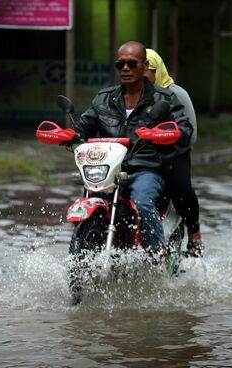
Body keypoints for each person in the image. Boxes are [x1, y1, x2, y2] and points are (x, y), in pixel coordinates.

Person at [73, 41, 193, 258]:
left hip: (145, 168)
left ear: (145, 65)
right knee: (87, 197)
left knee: (142, 202)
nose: (125, 69)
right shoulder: (104, 98)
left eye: (131, 63)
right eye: (120, 64)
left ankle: (157, 255)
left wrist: (171, 132)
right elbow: (85, 123)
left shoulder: (164, 98)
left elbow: (184, 127)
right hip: (108, 168)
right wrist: (70, 134)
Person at [145, 48, 204, 257]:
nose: (143, 73)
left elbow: (191, 133)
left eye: (148, 69)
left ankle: (194, 233)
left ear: (157, 69)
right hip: (139, 154)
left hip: (174, 153)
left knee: (180, 187)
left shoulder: (177, 94)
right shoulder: (130, 95)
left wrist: (167, 140)